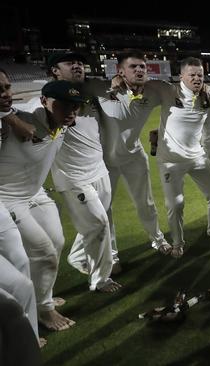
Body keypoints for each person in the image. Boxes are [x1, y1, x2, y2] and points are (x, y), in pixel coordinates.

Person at [0, 80, 82, 331]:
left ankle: (40, 296)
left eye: (73, 106)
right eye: (61, 105)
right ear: (45, 101)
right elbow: (7, 106)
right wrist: (8, 116)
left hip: (35, 194)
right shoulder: (25, 114)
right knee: (44, 251)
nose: (69, 111)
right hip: (7, 197)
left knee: (56, 243)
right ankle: (44, 310)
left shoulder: (65, 122)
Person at [41, 52, 121, 292]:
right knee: (98, 224)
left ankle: (77, 256)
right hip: (74, 178)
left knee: (97, 222)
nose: (77, 65)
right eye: (69, 63)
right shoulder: (47, 100)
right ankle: (100, 280)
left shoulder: (87, 94)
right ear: (55, 70)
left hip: (99, 170)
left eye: (79, 62)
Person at [150, 57, 210, 257]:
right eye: (192, 75)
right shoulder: (168, 91)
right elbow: (141, 84)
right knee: (176, 204)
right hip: (171, 161)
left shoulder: (207, 95)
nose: (196, 78)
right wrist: (119, 79)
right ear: (182, 76)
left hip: (197, 156)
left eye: (200, 75)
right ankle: (178, 243)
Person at [101, 50, 170, 255]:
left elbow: (179, 92)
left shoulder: (152, 92)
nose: (139, 69)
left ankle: (158, 239)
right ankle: (111, 254)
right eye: (133, 66)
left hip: (134, 155)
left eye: (142, 66)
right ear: (120, 71)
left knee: (146, 203)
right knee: (105, 208)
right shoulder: (105, 91)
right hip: (105, 160)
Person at [0, 68, 43, 347]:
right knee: (18, 284)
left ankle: (30, 335)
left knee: (22, 265)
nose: (6, 94)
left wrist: (8, 117)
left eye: (6, 87)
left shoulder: (8, 115)